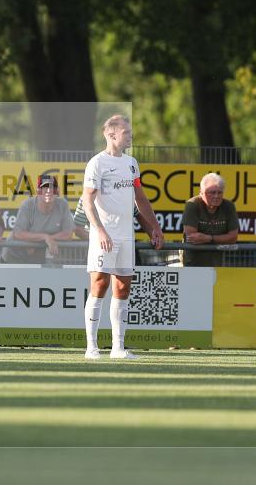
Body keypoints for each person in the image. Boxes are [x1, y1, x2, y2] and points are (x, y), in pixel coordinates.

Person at [82, 115, 164, 360]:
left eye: (130, 131)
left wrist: (155, 227)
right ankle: (92, 347)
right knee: (100, 284)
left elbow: (140, 197)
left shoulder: (131, 163)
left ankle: (118, 348)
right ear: (111, 135)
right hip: (104, 236)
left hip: (126, 237)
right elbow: (87, 201)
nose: (130, 136)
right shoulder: (96, 163)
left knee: (123, 286)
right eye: (126, 132)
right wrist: (100, 231)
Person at [1, 175, 75, 264]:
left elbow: (68, 234)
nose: (49, 191)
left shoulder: (63, 205)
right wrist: (45, 237)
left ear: (58, 190)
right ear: (38, 191)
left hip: (37, 256)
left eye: (52, 187)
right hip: (14, 256)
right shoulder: (27, 205)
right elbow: (18, 233)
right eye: (44, 188)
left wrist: (48, 239)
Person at [181, 173, 239, 266]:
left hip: (217, 263)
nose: (216, 196)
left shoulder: (229, 206)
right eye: (212, 192)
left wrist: (208, 238)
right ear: (201, 192)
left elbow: (233, 237)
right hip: (191, 263)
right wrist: (221, 238)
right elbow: (192, 237)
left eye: (219, 192)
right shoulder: (192, 205)